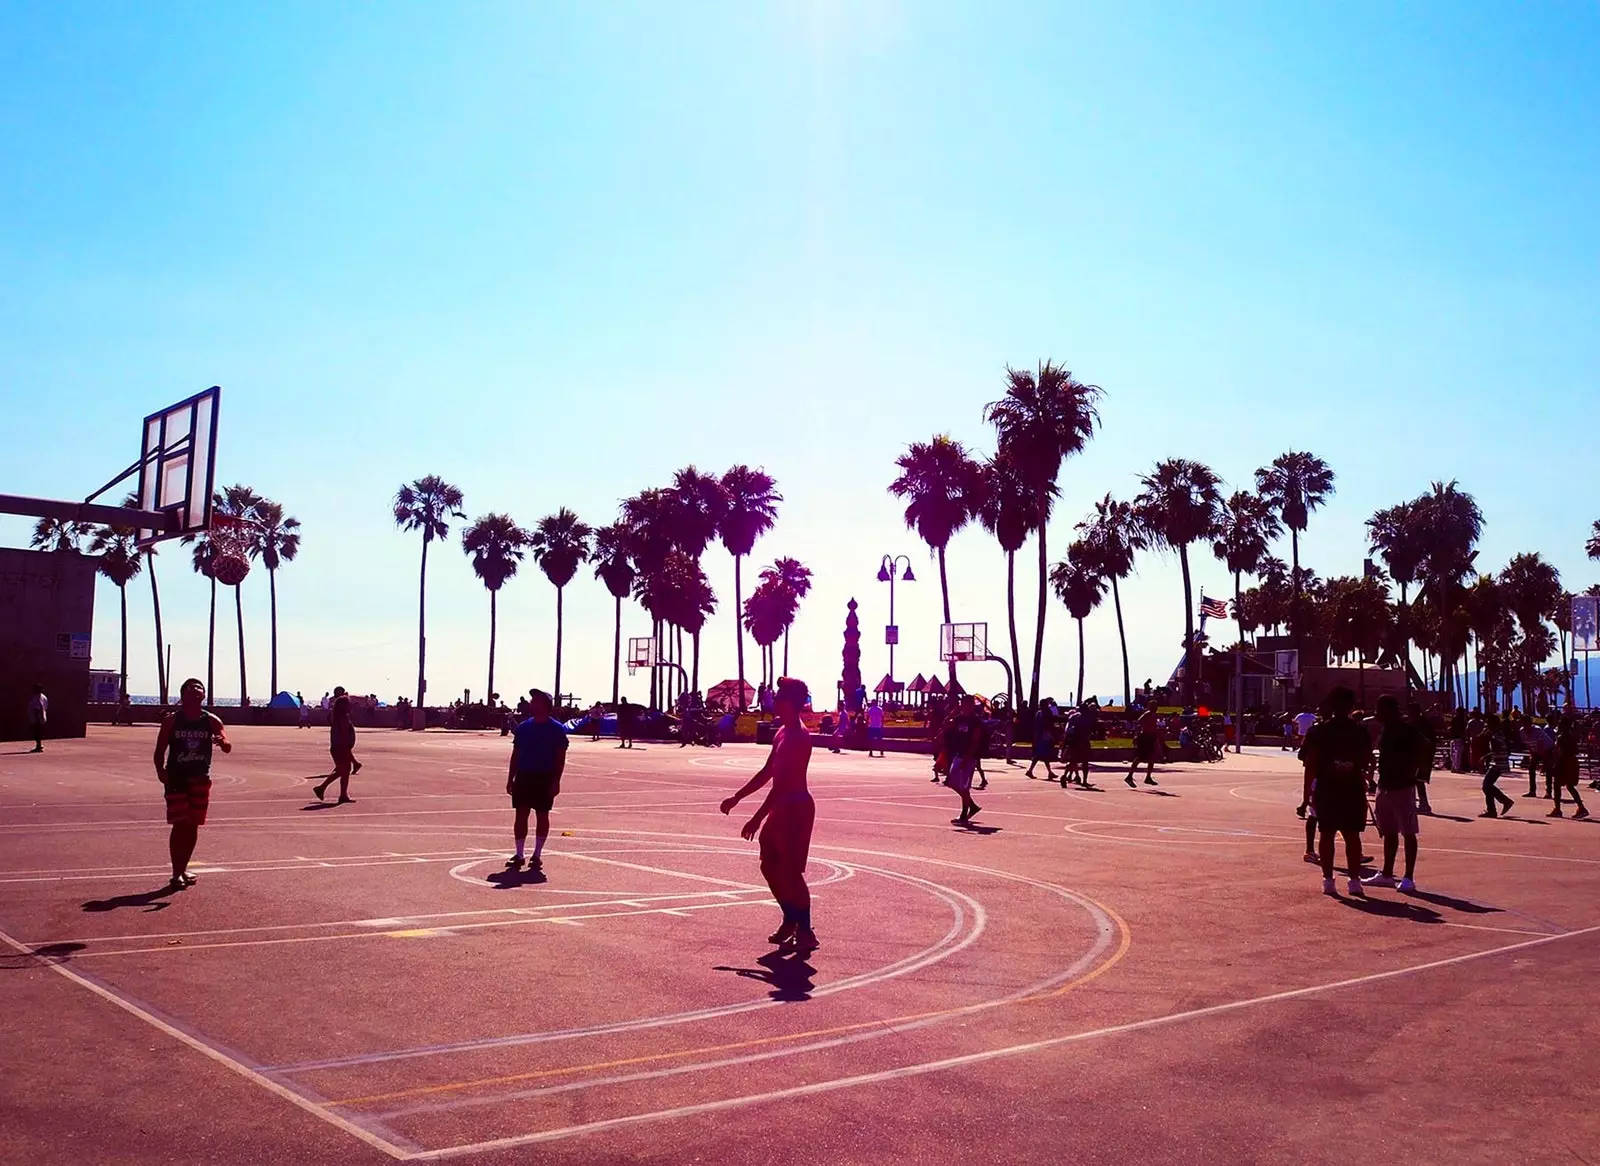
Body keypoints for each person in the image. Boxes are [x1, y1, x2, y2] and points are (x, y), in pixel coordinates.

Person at [720, 677, 818, 954]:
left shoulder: (798, 737)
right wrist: (738, 797)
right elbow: (768, 772)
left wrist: (757, 817)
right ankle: (790, 917)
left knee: (790, 871)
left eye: (778, 697)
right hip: (782, 805)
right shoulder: (781, 733)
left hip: (796, 807)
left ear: (790, 702)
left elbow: (783, 784)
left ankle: (805, 929)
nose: (774, 700)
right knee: (768, 865)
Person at [152, 678, 231, 889]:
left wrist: (222, 742)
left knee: (193, 824)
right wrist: (161, 771)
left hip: (199, 778)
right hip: (177, 778)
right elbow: (159, 750)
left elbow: (227, 744)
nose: (196, 690)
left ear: (204, 695)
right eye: (191, 687)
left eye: (200, 688)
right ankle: (176, 872)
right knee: (180, 824)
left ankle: (183, 867)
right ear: (183, 694)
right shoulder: (172, 720)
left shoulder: (211, 720)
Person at [1300, 686, 1372, 897]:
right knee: (1352, 836)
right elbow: (1369, 759)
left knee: (1327, 834)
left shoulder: (1319, 731)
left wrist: (1306, 796)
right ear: (1352, 706)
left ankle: (1328, 880)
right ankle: (1354, 881)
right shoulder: (1359, 731)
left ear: (1331, 706)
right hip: (1352, 787)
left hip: (1327, 788)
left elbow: (1310, 764)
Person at [1363, 695, 1425, 892]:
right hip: (1386, 785)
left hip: (1402, 787)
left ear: (1389, 710)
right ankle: (1387, 874)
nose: (1376, 711)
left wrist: (1413, 774)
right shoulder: (1386, 730)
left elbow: (1424, 748)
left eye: (1379, 708)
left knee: (1408, 832)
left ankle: (1408, 877)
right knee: (1389, 832)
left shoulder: (1405, 730)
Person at [506, 689, 569, 870]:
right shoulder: (523, 728)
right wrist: (511, 778)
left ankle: (537, 854)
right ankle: (519, 854)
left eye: (536, 701)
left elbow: (560, 757)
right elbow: (516, 754)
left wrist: (556, 780)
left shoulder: (556, 729)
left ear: (546, 705)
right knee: (521, 814)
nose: (532, 703)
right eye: (532, 700)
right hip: (524, 776)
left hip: (544, 776)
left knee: (542, 814)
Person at [314, 687, 360, 803]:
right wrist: (348, 751)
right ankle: (321, 787)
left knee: (345, 770)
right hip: (341, 747)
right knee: (342, 770)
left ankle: (343, 795)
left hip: (338, 747)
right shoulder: (343, 718)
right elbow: (343, 736)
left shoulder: (338, 717)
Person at [942, 696, 984, 823]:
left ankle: (964, 813)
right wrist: (952, 713)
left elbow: (975, 741)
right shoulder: (958, 718)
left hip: (969, 757)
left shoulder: (976, 721)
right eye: (963, 704)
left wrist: (967, 758)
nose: (964, 706)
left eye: (967, 704)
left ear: (972, 705)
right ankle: (972, 806)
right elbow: (945, 726)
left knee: (964, 787)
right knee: (952, 783)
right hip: (958, 755)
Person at [1549, 714, 1590, 819]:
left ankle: (1558, 809)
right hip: (1572, 762)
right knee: (1570, 786)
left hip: (1564, 763)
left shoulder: (1562, 736)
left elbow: (1560, 752)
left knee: (1557, 785)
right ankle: (1581, 807)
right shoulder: (1571, 736)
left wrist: (1557, 764)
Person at [1407, 702, 1436, 815]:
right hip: (1415, 755)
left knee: (1418, 780)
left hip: (1421, 755)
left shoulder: (1421, 723)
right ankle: (1419, 803)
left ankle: (1423, 804)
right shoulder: (1415, 722)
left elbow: (1429, 741)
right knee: (1414, 780)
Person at [1126, 706, 1160, 787]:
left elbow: (1153, 727)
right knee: (1139, 758)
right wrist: (1136, 735)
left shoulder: (1154, 715)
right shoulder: (1147, 714)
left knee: (1152, 757)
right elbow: (1138, 722)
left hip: (1151, 737)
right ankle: (1129, 776)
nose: (1155, 707)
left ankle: (1148, 777)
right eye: (1153, 705)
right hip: (1144, 737)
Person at [1521, 721, 1556, 799]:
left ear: (1531, 724)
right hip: (1536, 750)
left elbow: (1541, 745)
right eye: (1525, 726)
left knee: (1548, 770)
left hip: (1547, 749)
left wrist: (1544, 764)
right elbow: (1528, 743)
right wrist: (1532, 754)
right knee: (1531, 768)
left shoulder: (1537, 730)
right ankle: (1532, 791)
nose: (1527, 728)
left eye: (1528, 726)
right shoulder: (1522, 731)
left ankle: (1548, 792)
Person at [1026, 700, 1057, 781]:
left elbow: (1035, 725)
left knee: (1041, 754)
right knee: (1043, 754)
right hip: (1045, 735)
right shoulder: (1047, 712)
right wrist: (1052, 735)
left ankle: (1049, 772)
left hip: (1039, 736)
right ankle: (1032, 771)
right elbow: (1049, 724)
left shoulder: (1038, 713)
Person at [27, 684, 48, 753]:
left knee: (37, 733)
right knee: (38, 732)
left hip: (37, 718)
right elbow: (46, 706)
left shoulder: (36, 698)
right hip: (41, 718)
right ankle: (39, 745)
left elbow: (38, 708)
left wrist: (37, 717)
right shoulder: (44, 697)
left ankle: (38, 746)